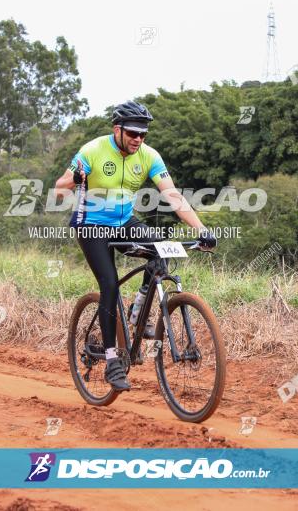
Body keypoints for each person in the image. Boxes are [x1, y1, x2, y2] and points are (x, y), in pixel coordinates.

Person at [54, 100, 216, 391]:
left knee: (160, 251)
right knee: (110, 285)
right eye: (132, 133)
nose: (137, 140)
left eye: (142, 134)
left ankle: (135, 312)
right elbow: (59, 187)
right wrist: (75, 179)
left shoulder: (149, 156)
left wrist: (201, 229)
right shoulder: (92, 151)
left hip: (125, 220)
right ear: (117, 130)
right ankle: (113, 359)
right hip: (91, 225)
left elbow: (173, 196)